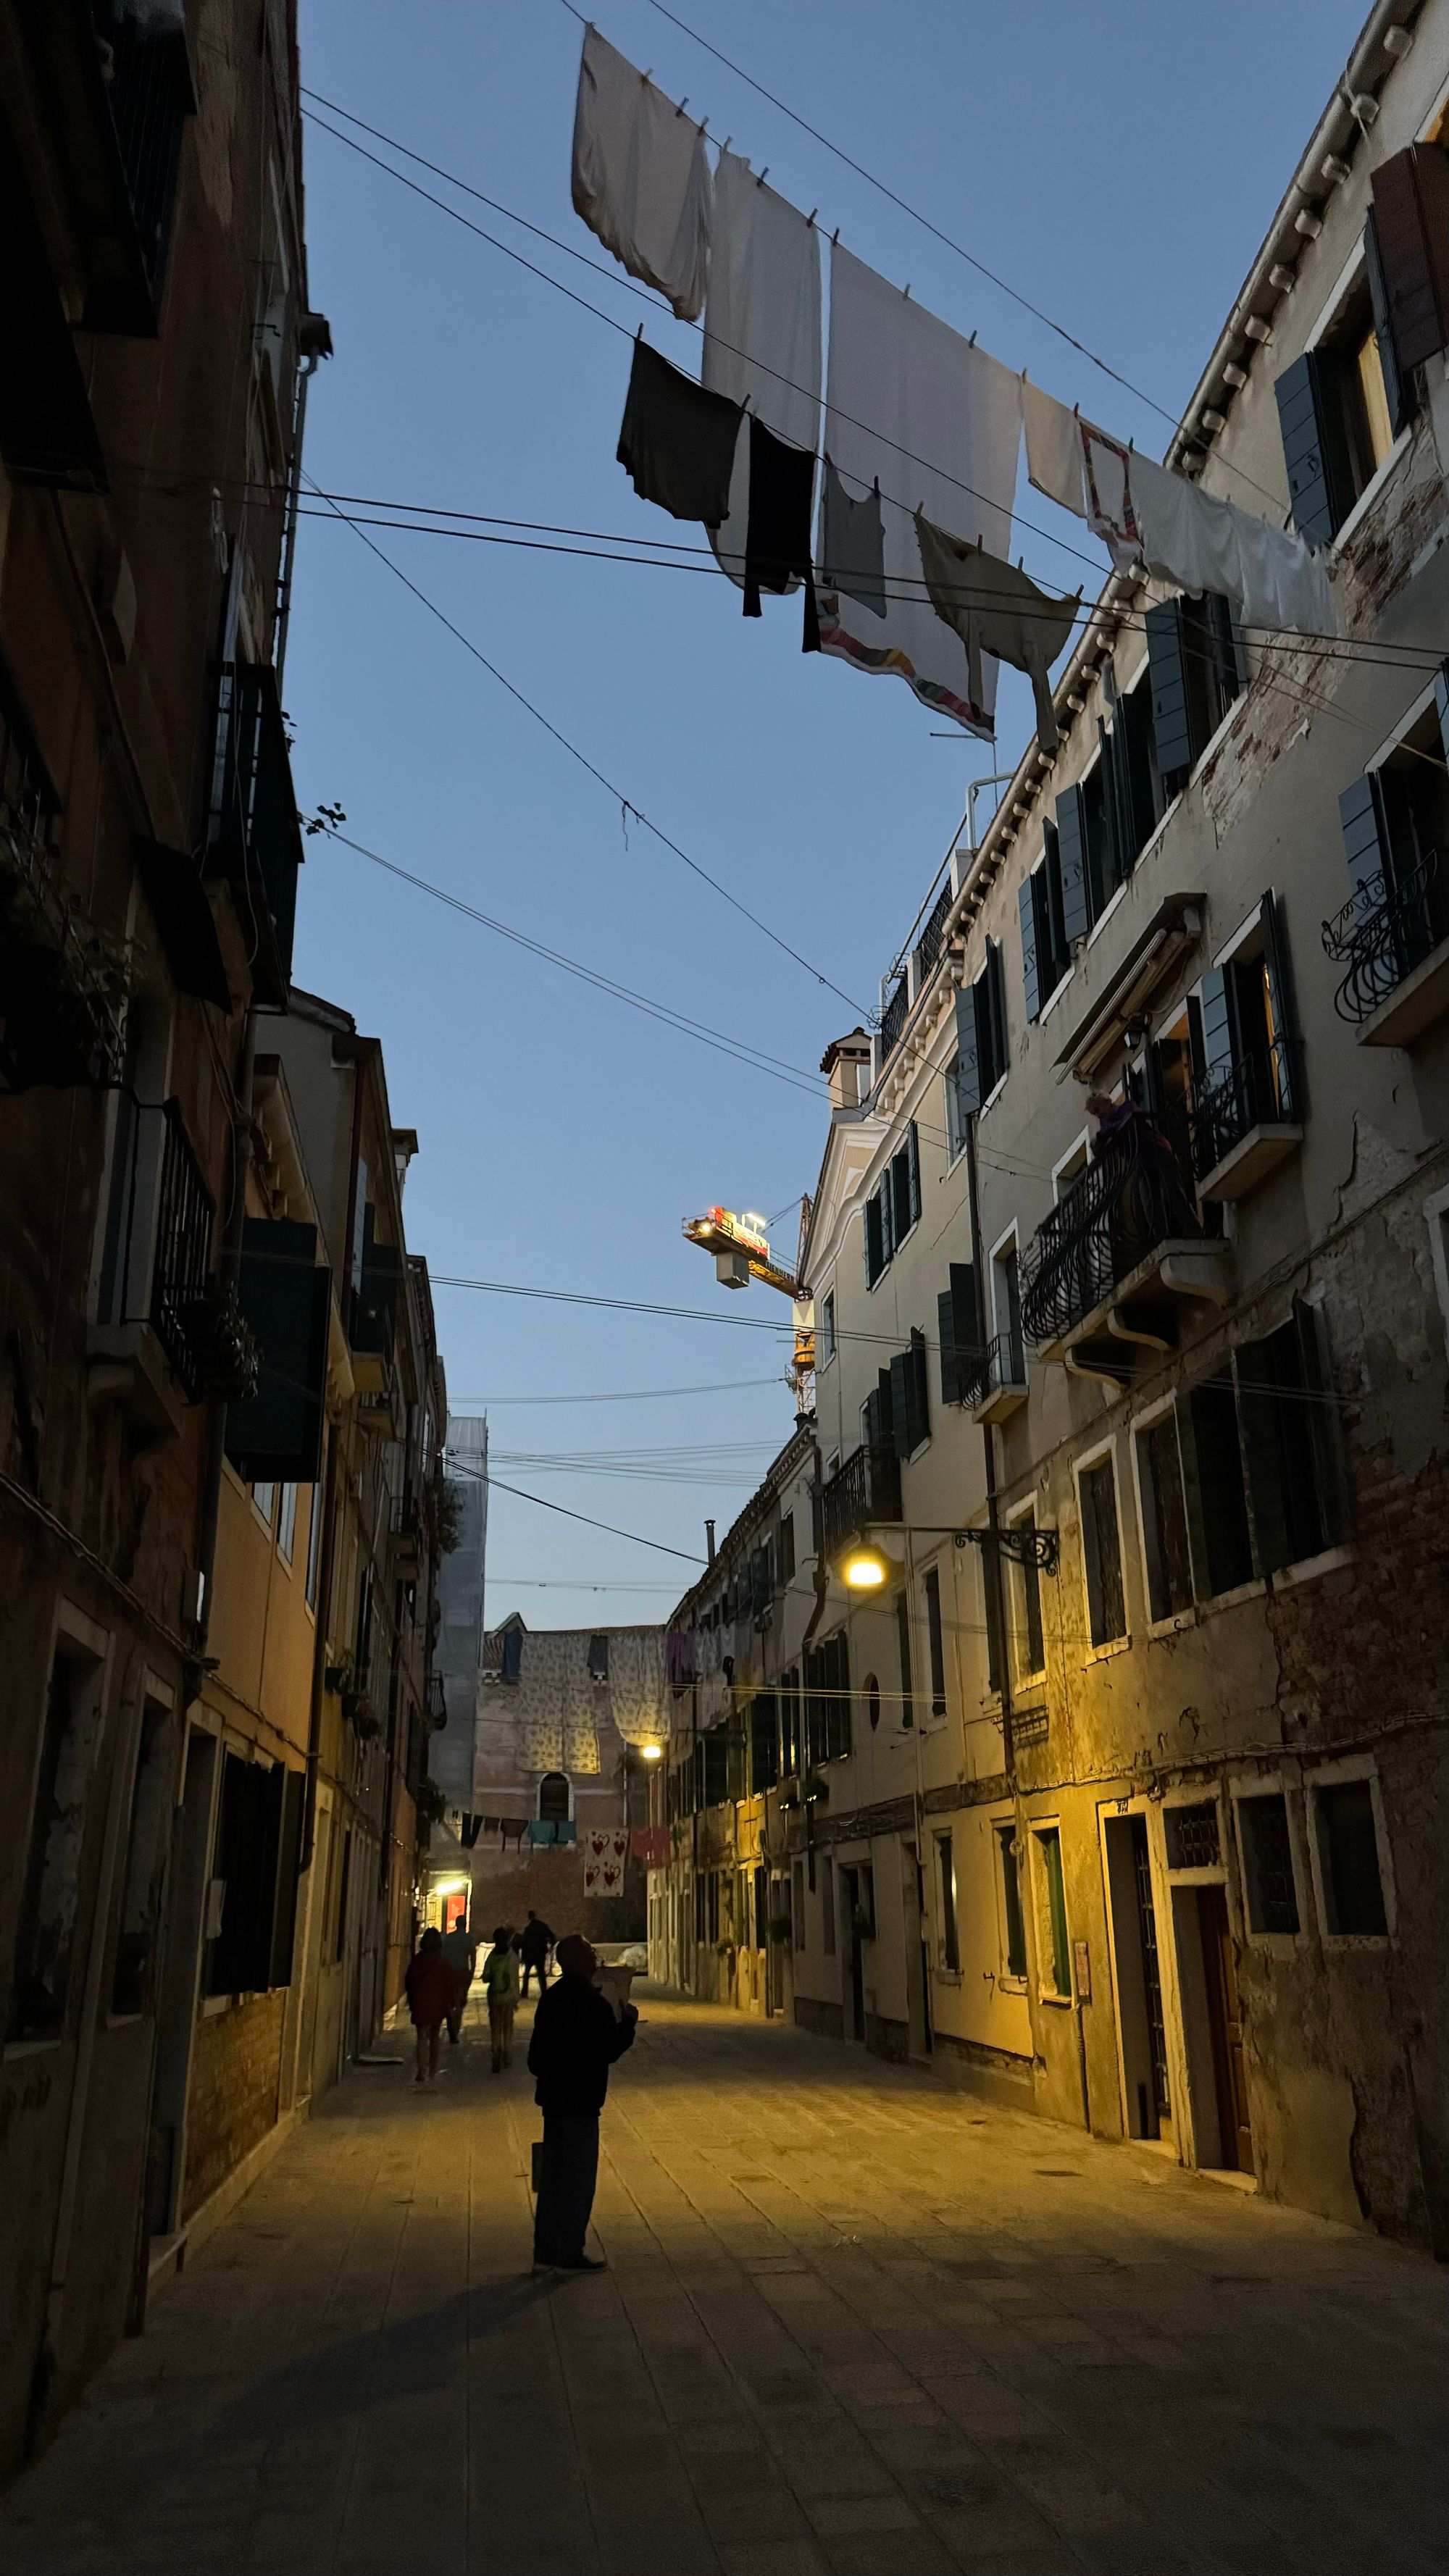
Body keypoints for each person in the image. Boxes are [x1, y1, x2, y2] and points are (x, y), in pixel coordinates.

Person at [527, 1933, 638, 2272]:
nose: (595, 1960)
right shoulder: (594, 2005)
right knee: (577, 2179)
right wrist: (628, 2025)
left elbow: (534, 2059)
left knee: (552, 2180)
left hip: (554, 2103)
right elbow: (607, 2051)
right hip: (582, 2104)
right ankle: (570, 2250)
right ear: (579, 1962)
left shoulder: (551, 2000)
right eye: (590, 1954)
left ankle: (546, 2250)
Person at [404, 1926, 452, 2086]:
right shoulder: (442, 1961)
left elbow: (410, 1981)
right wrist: (450, 2003)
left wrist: (411, 2001)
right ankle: (433, 2069)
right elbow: (448, 1984)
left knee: (421, 2038)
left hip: (420, 2003)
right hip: (437, 2004)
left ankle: (421, 2070)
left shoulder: (418, 1960)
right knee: (435, 2037)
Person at [481, 1924, 520, 2073]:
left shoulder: (492, 1956)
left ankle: (495, 2054)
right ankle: (507, 2054)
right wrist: (516, 1999)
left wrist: (492, 1978)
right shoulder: (512, 1957)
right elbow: (515, 1981)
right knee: (508, 2027)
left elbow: (485, 1977)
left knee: (495, 2028)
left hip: (494, 1996)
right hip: (508, 1997)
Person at [440, 1915, 477, 2045]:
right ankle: (456, 2029)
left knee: (450, 2000)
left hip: (450, 1973)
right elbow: (473, 1957)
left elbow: (443, 1956)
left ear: (456, 1924)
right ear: (465, 1924)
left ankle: (451, 2024)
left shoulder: (449, 1938)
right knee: (460, 2001)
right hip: (462, 1973)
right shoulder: (468, 1939)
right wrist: (472, 1972)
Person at [517, 1910, 555, 1998]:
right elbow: (552, 1936)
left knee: (526, 1974)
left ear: (529, 1917)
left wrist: (522, 1958)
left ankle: (524, 1992)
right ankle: (544, 1992)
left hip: (529, 1955)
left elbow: (523, 1943)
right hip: (540, 1954)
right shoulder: (542, 1926)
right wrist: (551, 1946)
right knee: (541, 1974)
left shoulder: (528, 1929)